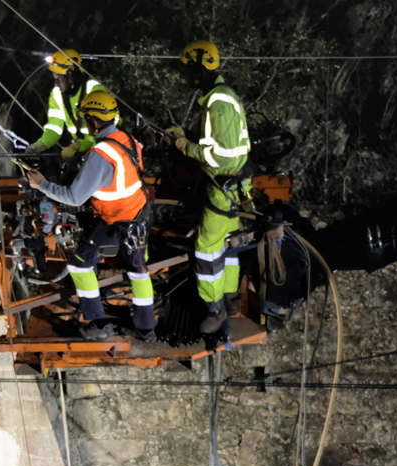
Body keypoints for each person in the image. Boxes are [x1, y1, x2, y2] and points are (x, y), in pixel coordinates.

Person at [27, 91, 156, 342]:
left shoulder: (100, 156)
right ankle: (145, 330)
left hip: (116, 223)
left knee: (79, 265)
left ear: (93, 121)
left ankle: (99, 325)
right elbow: (112, 150)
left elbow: (75, 198)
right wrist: (84, 146)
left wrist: (41, 184)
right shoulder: (127, 139)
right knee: (139, 271)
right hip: (140, 215)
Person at [166, 40, 253, 334]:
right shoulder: (220, 97)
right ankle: (230, 300)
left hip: (223, 186)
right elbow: (219, 142)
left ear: (199, 69)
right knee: (228, 244)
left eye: (189, 69)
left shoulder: (218, 101)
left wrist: (185, 147)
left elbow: (220, 154)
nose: (186, 76)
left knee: (206, 249)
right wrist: (187, 135)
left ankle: (214, 309)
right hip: (234, 185)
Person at [27, 50, 116, 160]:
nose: (56, 83)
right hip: (80, 154)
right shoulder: (56, 94)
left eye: (59, 78)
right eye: (54, 78)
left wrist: (81, 145)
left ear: (72, 77)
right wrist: (41, 144)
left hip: (104, 153)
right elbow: (54, 127)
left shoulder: (94, 91)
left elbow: (108, 132)